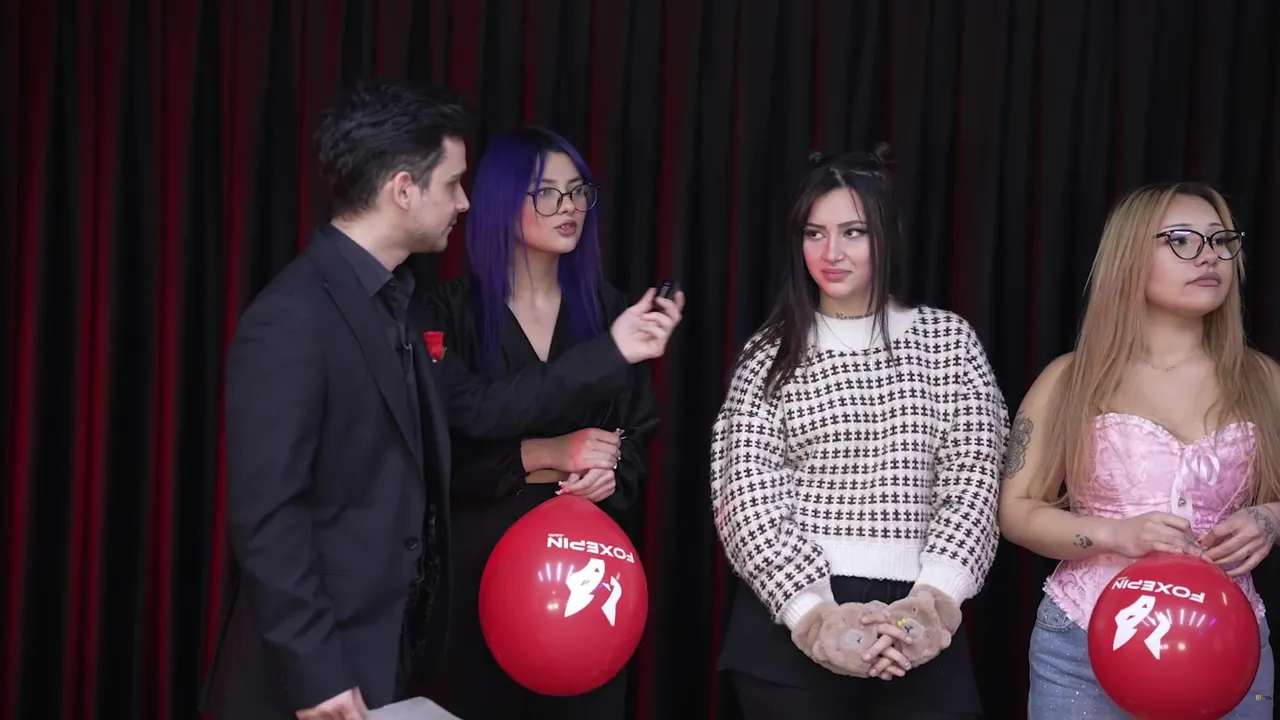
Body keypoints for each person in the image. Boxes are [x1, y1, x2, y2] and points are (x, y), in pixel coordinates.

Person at [199, 82, 683, 720]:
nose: (465, 201)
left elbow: (452, 436)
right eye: (453, 182)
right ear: (404, 189)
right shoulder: (294, 317)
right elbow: (269, 519)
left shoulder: (394, 307)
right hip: (321, 671)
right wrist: (318, 673)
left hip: (388, 650)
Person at [709, 147, 1008, 719]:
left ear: (886, 235)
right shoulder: (769, 352)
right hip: (790, 625)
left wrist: (926, 608)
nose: (831, 253)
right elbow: (745, 498)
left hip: (922, 617)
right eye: (814, 233)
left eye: (853, 232)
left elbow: (974, 481)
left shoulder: (947, 341)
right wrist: (816, 617)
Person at [419, 126, 675, 720]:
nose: (569, 207)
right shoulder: (445, 314)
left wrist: (611, 471)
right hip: (481, 584)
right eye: (547, 192)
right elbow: (447, 447)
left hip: (586, 588)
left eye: (578, 190)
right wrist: (547, 453)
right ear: (500, 201)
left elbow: (638, 433)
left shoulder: (612, 312)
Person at [998, 182, 1280, 718]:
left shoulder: (1264, 380)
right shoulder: (1070, 379)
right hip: (1082, 644)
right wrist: (1116, 534)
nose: (1209, 257)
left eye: (1221, 240)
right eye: (1181, 240)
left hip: (1227, 648)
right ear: (1129, 257)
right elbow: (1015, 512)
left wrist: (1272, 517)